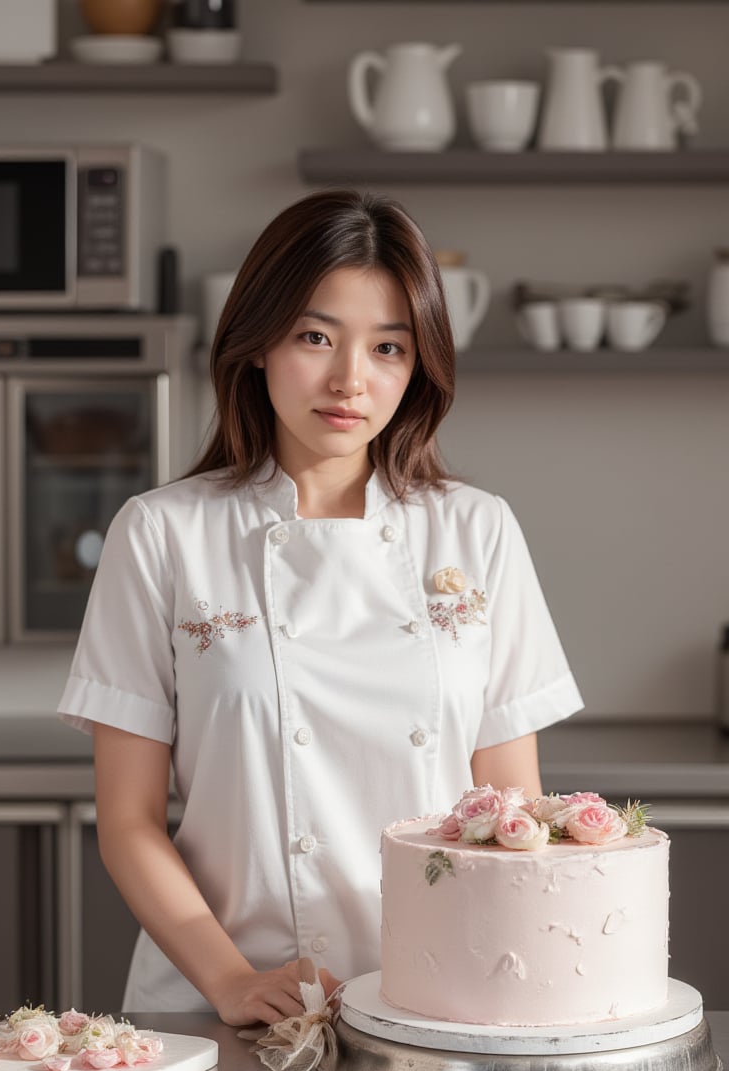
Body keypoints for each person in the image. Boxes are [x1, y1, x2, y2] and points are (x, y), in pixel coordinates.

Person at [58, 188, 583, 1027]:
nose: (350, 380)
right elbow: (128, 822)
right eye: (315, 337)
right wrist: (232, 982)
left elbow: (510, 809)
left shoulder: (475, 530)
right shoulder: (163, 534)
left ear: (419, 367)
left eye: (387, 348)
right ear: (256, 343)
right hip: (217, 1002)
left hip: (437, 999)